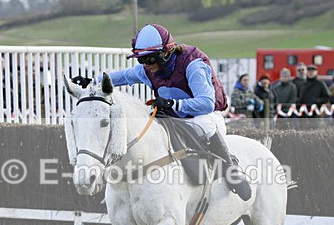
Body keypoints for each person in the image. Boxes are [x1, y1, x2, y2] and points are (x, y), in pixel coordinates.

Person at [96, 23, 251, 201]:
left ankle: (232, 171)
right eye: (142, 60)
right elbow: (122, 77)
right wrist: (93, 81)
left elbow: (206, 103)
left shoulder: (193, 65)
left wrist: (173, 104)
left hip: (204, 116)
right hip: (173, 117)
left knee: (205, 124)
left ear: (166, 53)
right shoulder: (147, 70)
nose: (146, 65)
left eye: (150, 59)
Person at [296, 64, 329, 129]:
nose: (311, 73)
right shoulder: (303, 84)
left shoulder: (320, 84)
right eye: (309, 71)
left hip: (315, 113)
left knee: (315, 133)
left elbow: (326, 97)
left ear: (316, 72)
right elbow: (299, 97)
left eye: (313, 71)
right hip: (304, 114)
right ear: (307, 72)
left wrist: (316, 102)